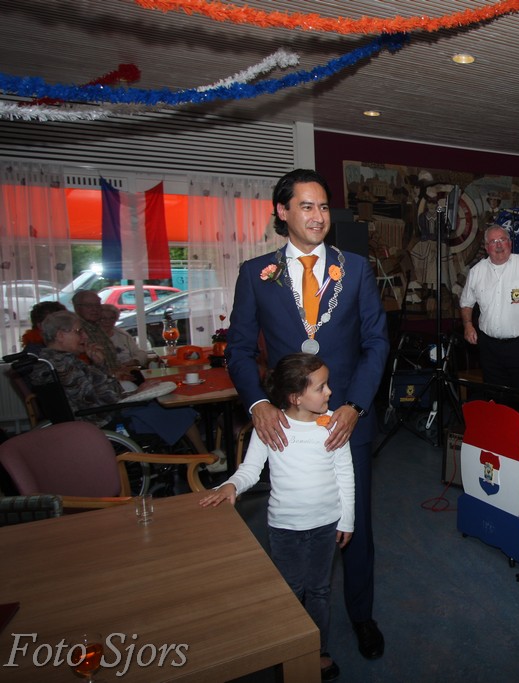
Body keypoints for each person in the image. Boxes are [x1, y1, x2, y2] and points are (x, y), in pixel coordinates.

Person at [227, 168, 389, 661]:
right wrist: (258, 403)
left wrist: (355, 405)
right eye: (306, 206)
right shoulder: (256, 273)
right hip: (288, 428)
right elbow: (238, 349)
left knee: (354, 523)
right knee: (293, 522)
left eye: (323, 207)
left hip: (347, 420)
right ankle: (295, 624)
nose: (318, 217)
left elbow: (376, 343)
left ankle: (361, 615)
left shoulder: (355, 268)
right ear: (282, 211)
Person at [201, 353, 353, 682]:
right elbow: (250, 469)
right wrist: (231, 485)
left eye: (327, 385)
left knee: (319, 590)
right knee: (289, 590)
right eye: (321, 387)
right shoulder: (271, 426)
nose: (330, 392)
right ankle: (288, 648)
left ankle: (317, 650)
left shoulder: (333, 424)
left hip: (326, 524)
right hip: (285, 528)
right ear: (295, 397)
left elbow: (345, 475)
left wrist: (347, 521)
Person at [32, 310, 206, 452]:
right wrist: (136, 394)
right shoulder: (65, 366)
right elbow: (93, 401)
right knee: (178, 409)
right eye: (79, 332)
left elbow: (95, 391)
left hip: (99, 415)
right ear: (60, 335)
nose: (84, 337)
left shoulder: (52, 361)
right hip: (104, 421)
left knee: (161, 402)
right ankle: (205, 459)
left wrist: (99, 364)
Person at [460, 224, 519, 404]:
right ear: (486, 247)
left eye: (502, 240)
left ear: (510, 243)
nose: (498, 245)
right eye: (493, 241)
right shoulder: (477, 271)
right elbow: (465, 303)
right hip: (488, 347)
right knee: (494, 397)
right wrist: (467, 325)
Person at [71, 290, 125, 376]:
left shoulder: (97, 326)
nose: (94, 309)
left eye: (97, 305)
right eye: (89, 306)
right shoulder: (77, 331)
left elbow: (111, 360)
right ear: (77, 307)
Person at [99, 303, 148, 368]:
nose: (108, 321)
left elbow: (140, 353)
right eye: (103, 318)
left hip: (128, 369)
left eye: (112, 318)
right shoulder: (92, 337)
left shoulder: (123, 335)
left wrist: (134, 362)